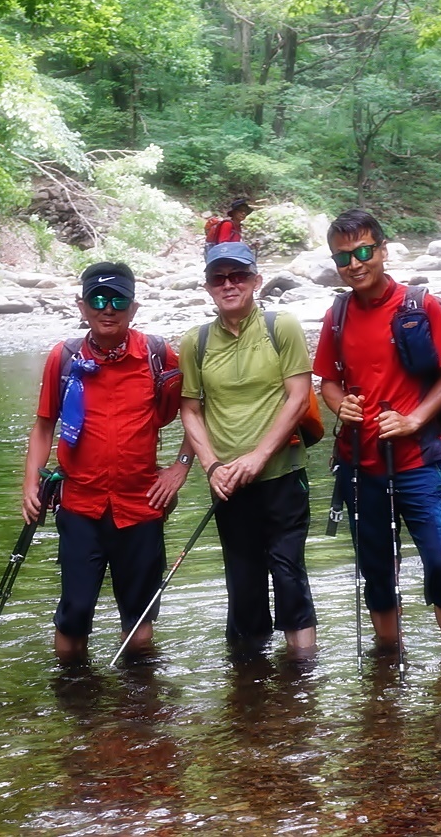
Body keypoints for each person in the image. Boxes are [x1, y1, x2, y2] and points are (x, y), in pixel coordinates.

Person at [314, 209, 441, 666]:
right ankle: (388, 658)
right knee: (377, 570)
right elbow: (327, 381)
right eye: (343, 257)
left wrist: (414, 419)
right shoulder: (337, 315)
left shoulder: (419, 306)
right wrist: (339, 404)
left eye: (364, 251)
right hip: (361, 465)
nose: (355, 263)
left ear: (383, 251)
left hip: (420, 462)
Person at [23, 262, 193, 664]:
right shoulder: (64, 358)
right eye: (98, 300)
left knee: (139, 623)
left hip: (141, 506)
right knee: (74, 615)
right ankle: (72, 692)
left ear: (134, 308)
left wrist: (181, 466)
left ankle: (139, 698)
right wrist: (30, 484)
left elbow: (195, 411)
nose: (108, 309)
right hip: (80, 506)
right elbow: (44, 425)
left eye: (118, 300)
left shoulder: (157, 356)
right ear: (82, 306)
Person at [178, 241, 317, 655]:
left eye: (238, 276)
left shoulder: (281, 327)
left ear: (256, 281)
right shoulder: (196, 342)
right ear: (207, 287)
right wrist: (212, 467)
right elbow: (190, 409)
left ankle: (302, 674)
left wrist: (258, 457)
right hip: (228, 484)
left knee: (289, 574)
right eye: (218, 278)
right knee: (243, 583)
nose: (229, 284)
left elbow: (297, 397)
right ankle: (248, 677)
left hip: (283, 475)